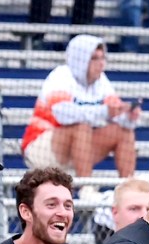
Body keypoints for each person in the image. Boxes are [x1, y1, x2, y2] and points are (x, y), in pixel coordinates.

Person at [21, 35, 140, 180]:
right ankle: (87, 189)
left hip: (79, 149)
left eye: (103, 58)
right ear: (80, 59)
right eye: (95, 58)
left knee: (123, 132)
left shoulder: (101, 80)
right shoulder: (61, 75)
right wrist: (104, 112)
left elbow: (114, 111)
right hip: (42, 147)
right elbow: (63, 115)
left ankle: (128, 187)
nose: (101, 64)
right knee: (82, 127)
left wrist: (128, 116)